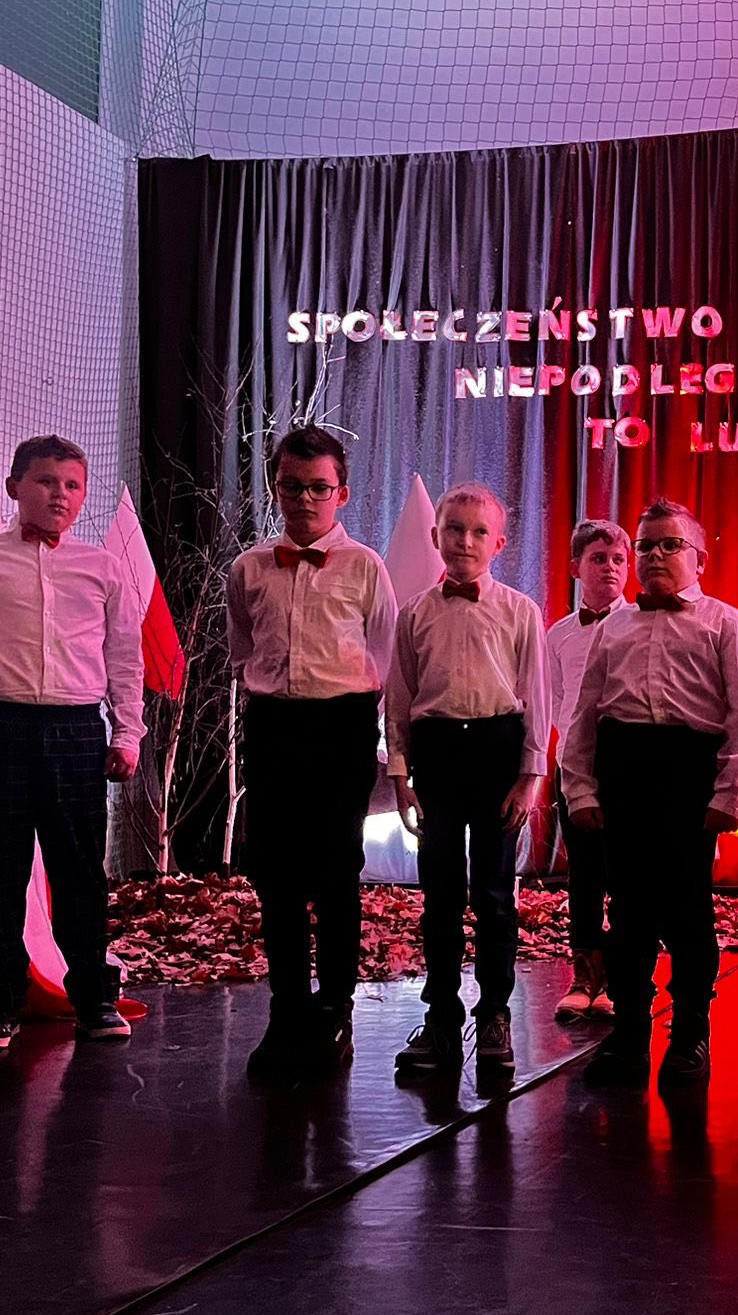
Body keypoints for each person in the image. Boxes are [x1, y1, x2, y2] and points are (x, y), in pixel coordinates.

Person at [0, 435, 144, 1051]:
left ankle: (95, 999)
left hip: (76, 731)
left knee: (81, 871)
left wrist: (127, 734)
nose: (60, 495)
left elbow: (124, 659)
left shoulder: (102, 568)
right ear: (15, 487)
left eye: (73, 485)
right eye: (47, 482)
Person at [560, 499, 738, 1091]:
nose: (654, 555)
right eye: (646, 545)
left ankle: (691, 1032)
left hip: (688, 774)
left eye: (669, 544)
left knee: (687, 911)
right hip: (623, 770)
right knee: (627, 914)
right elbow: (584, 714)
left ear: (699, 559)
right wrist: (580, 788)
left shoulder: (726, 623)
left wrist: (731, 791)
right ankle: (629, 1034)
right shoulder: (614, 626)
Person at [227, 425, 398, 1082]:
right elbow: (244, 650)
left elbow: (383, 656)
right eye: (292, 486)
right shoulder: (248, 568)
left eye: (319, 488)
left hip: (340, 727)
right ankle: (287, 1010)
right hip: (273, 726)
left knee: (335, 873)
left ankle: (335, 1009)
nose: (305, 499)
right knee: (276, 876)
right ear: (277, 489)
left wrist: (369, 729)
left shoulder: (365, 567)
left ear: (342, 494)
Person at [386, 483, 550, 1078]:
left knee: (495, 896)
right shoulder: (414, 614)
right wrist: (400, 773)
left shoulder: (520, 611)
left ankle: (496, 1013)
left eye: (479, 532)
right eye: (454, 529)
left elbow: (537, 699)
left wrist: (530, 775)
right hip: (437, 756)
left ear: (499, 544)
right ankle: (441, 1017)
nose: (464, 541)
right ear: (436, 536)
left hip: (497, 752)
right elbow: (399, 698)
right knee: (440, 895)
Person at [543, 520, 631, 1023]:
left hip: (624, 765)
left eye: (619, 560)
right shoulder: (558, 635)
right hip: (576, 767)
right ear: (576, 567)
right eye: (599, 559)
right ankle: (584, 972)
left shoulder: (638, 624)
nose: (611, 568)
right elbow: (557, 699)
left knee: (625, 871)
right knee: (584, 873)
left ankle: (619, 975)